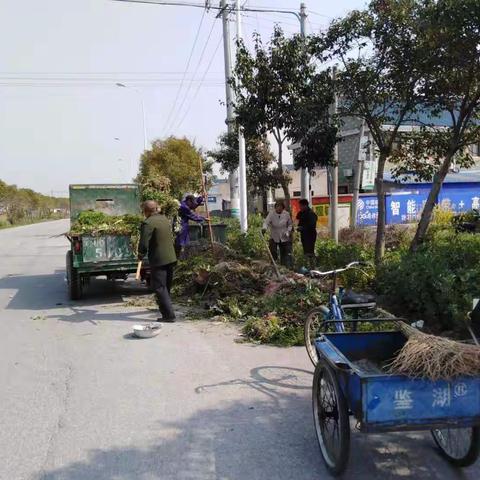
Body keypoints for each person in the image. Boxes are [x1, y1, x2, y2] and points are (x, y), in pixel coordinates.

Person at [138, 200, 177, 322]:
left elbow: (144, 242)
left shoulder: (148, 223)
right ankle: (165, 308)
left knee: (160, 287)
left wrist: (140, 254)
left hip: (159, 259)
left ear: (146, 211)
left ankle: (169, 315)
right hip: (171, 257)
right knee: (166, 286)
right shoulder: (164, 219)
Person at [262, 200, 293, 268]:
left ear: (283, 208)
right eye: (277, 207)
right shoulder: (271, 214)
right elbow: (266, 222)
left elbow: (290, 225)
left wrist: (288, 231)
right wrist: (264, 228)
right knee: (273, 251)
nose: (279, 208)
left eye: (281, 207)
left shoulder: (286, 214)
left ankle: (284, 267)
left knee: (284, 253)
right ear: (275, 207)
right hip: (274, 235)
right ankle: (273, 265)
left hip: (284, 235)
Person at [296, 199, 318, 267]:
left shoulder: (311, 213)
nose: (300, 207)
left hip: (310, 235)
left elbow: (311, 225)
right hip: (304, 235)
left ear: (305, 205)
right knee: (305, 250)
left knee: (310, 251)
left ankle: (312, 266)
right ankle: (307, 265)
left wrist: (302, 228)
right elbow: (298, 219)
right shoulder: (302, 213)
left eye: (301, 206)